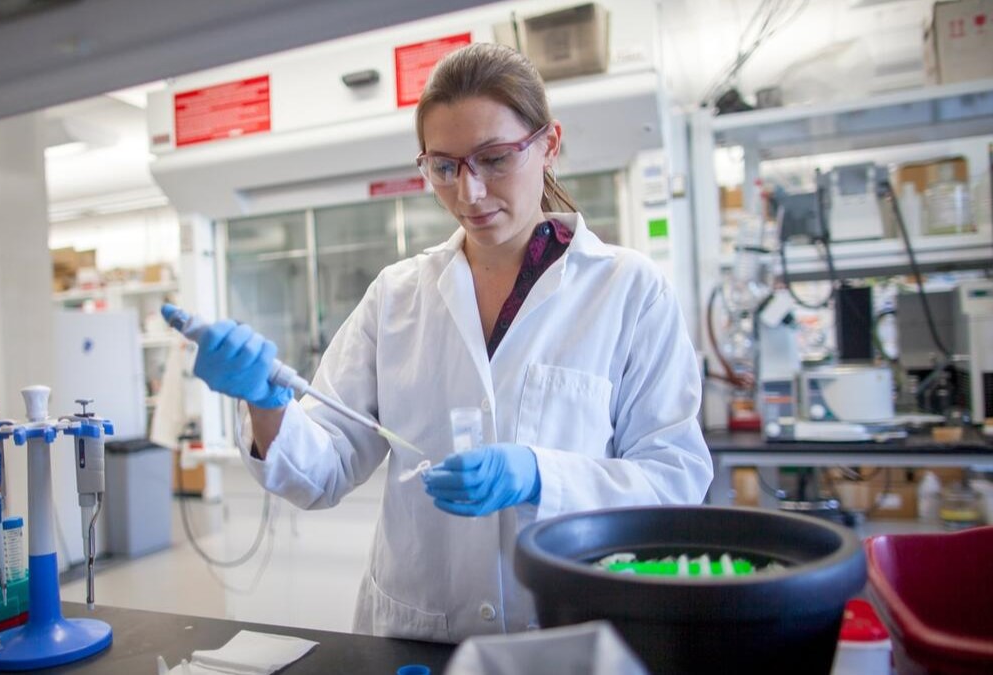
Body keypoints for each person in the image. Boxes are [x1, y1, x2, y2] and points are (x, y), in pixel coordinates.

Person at [183, 42, 711, 643]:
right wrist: (265, 401)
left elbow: (674, 480)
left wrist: (540, 475)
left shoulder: (628, 290)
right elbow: (322, 470)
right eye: (444, 166)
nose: (470, 193)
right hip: (420, 633)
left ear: (549, 144)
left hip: (568, 631)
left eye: (493, 158)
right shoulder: (396, 296)